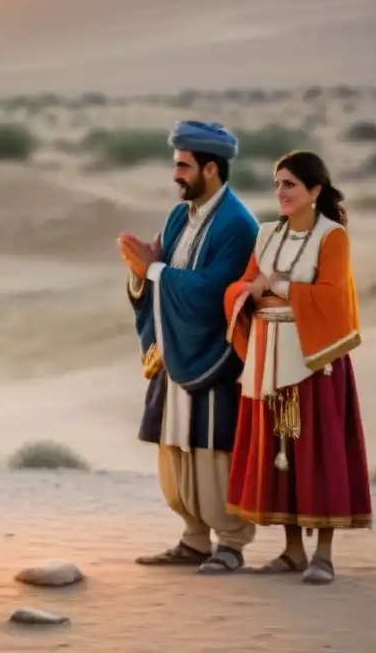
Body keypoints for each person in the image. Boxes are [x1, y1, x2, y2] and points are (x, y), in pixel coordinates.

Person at [224, 151, 371, 584]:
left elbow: (331, 297)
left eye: (289, 184)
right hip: (270, 358)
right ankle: (291, 551)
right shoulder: (267, 234)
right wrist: (250, 293)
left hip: (313, 359)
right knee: (280, 452)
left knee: (317, 451)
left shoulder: (332, 237)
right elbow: (244, 285)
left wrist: (277, 286)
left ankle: (323, 555)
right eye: (277, 184)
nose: (280, 192)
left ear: (315, 190)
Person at [118, 121, 257, 573]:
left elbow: (216, 291)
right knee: (174, 449)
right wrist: (140, 272)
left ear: (210, 169)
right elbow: (159, 267)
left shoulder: (237, 224)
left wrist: (154, 271)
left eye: (183, 166)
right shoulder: (180, 216)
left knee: (212, 452)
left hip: (212, 355)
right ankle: (194, 540)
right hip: (174, 350)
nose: (175, 174)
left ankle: (231, 544)